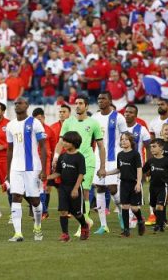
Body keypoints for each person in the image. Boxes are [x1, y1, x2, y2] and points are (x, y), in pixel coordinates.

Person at [53, 94, 106, 237]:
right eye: (76, 103)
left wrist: (102, 166)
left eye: (81, 103)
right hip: (69, 161)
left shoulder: (94, 123)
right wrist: (56, 157)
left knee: (85, 191)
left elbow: (101, 146)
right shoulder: (68, 122)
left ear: (87, 106)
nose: (77, 105)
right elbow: (60, 142)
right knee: (69, 192)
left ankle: (82, 226)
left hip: (87, 161)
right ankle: (85, 221)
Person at [6, 97, 47, 242]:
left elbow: (43, 146)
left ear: (27, 105)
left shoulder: (35, 123)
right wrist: (7, 173)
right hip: (16, 167)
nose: (17, 105)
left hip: (32, 168)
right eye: (15, 103)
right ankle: (18, 233)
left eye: (20, 103)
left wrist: (43, 169)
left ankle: (37, 226)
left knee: (34, 200)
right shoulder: (10, 125)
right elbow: (9, 150)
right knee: (16, 197)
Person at [91, 91, 127, 235]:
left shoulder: (118, 117)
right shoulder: (94, 117)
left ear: (110, 100)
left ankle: (123, 216)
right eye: (99, 98)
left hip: (113, 157)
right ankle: (103, 225)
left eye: (103, 98)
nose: (100, 101)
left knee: (112, 188)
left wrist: (126, 156)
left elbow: (125, 137)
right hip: (98, 157)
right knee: (99, 188)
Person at [47, 131, 89, 242]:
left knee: (77, 213)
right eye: (63, 141)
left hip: (75, 187)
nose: (63, 143)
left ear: (74, 143)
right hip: (63, 187)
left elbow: (81, 174)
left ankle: (84, 226)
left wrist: (76, 188)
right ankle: (65, 234)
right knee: (63, 211)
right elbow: (58, 173)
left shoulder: (79, 157)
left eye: (66, 141)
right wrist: (48, 177)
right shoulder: (62, 156)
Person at [105, 132, 146, 237]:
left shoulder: (135, 154)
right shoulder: (120, 155)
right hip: (123, 184)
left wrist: (138, 183)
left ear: (131, 142)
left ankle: (140, 220)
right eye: (122, 139)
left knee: (134, 208)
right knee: (124, 207)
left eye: (126, 139)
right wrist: (107, 173)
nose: (123, 141)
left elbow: (139, 169)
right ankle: (126, 231)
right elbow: (119, 169)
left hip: (134, 184)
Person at [142, 139, 168, 233]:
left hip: (163, 187)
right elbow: (142, 171)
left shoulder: (166, 161)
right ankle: (161, 222)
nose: (152, 149)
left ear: (161, 148)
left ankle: (159, 225)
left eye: (154, 146)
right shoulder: (150, 161)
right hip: (152, 187)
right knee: (154, 207)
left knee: (160, 206)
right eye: (151, 147)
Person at [32, 108, 57, 220]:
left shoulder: (49, 130)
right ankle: (42, 210)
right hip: (32, 161)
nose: (37, 121)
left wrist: (53, 161)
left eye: (39, 118)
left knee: (42, 185)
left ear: (43, 118)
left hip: (45, 162)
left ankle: (42, 212)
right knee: (34, 186)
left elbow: (53, 146)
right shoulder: (31, 130)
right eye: (35, 119)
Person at [46, 104, 71, 212]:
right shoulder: (52, 127)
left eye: (64, 112)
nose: (61, 114)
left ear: (69, 113)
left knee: (66, 185)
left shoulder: (73, 126)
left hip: (69, 159)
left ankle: (68, 209)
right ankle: (44, 211)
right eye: (60, 112)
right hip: (55, 159)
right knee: (49, 186)